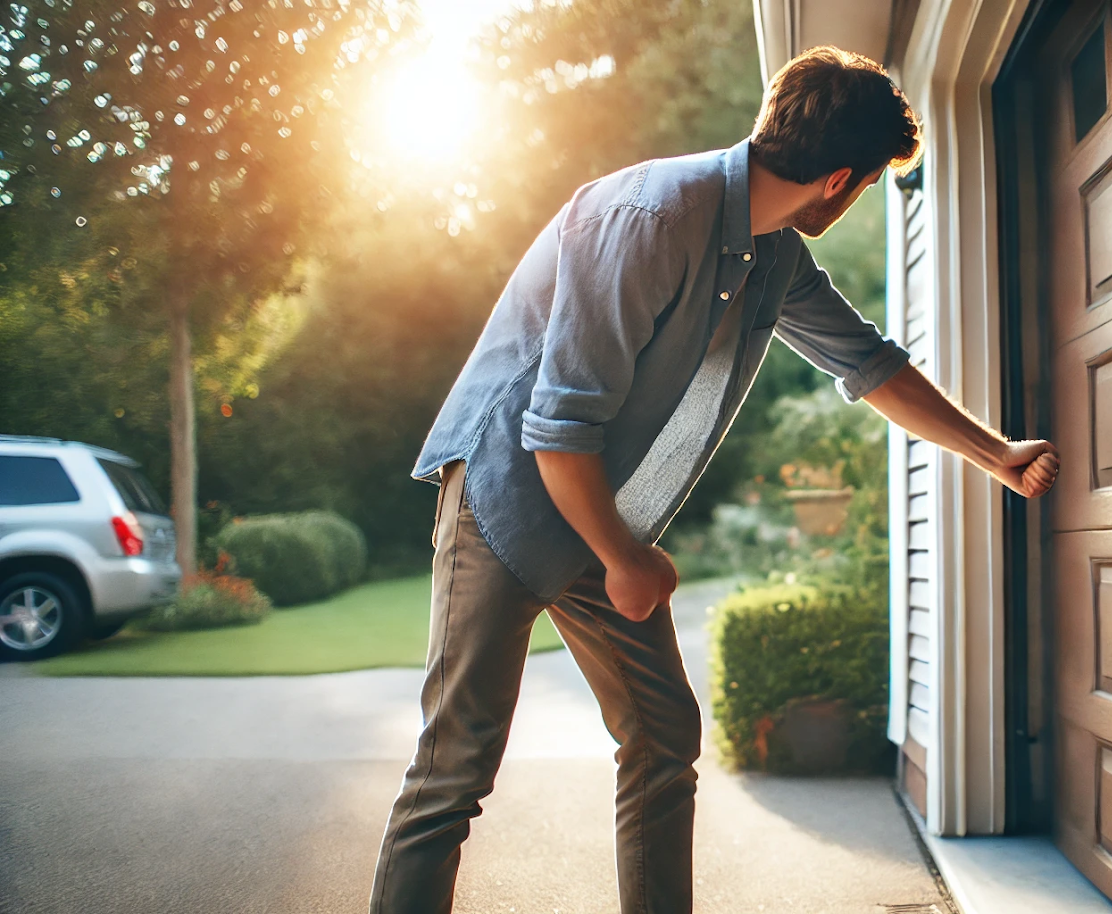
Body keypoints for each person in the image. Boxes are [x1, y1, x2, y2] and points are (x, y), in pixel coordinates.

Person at [370, 45, 1061, 914]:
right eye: (868, 186)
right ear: (838, 180)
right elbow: (555, 429)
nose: (855, 202)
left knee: (663, 735)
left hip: (595, 512)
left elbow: (868, 363)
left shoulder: (769, 253)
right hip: (510, 497)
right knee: (455, 767)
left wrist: (993, 452)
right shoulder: (652, 217)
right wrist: (625, 559)